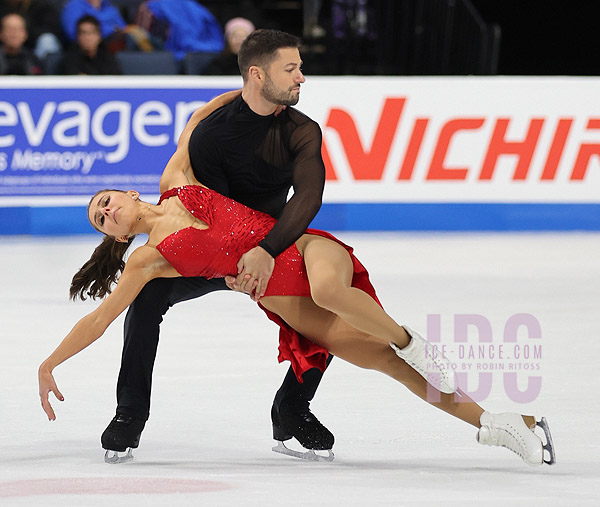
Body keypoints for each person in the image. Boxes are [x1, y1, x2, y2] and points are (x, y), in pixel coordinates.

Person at [37, 101, 556, 466]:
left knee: (336, 293)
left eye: (106, 202)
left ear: (127, 192)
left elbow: (200, 119)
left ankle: (410, 340)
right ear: (117, 234)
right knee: (398, 372)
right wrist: (49, 363)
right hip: (291, 304)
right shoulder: (147, 262)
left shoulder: (179, 181)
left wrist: (249, 93)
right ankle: (504, 427)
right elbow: (100, 318)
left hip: (304, 250)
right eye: (101, 220)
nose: (108, 213)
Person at [100, 29, 336, 461]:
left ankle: (293, 407)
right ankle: (129, 415)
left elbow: (308, 197)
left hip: (266, 244)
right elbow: (200, 131)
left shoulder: (296, 132)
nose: (301, 77)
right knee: (146, 301)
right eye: (291, 69)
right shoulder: (208, 138)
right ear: (257, 75)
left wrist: (267, 249)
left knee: (329, 304)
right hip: (206, 249)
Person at [61, 0, 126, 44]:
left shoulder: (109, 7)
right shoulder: (74, 6)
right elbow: (73, 34)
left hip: (111, 47)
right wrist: (112, 29)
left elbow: (122, 27)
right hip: (81, 51)